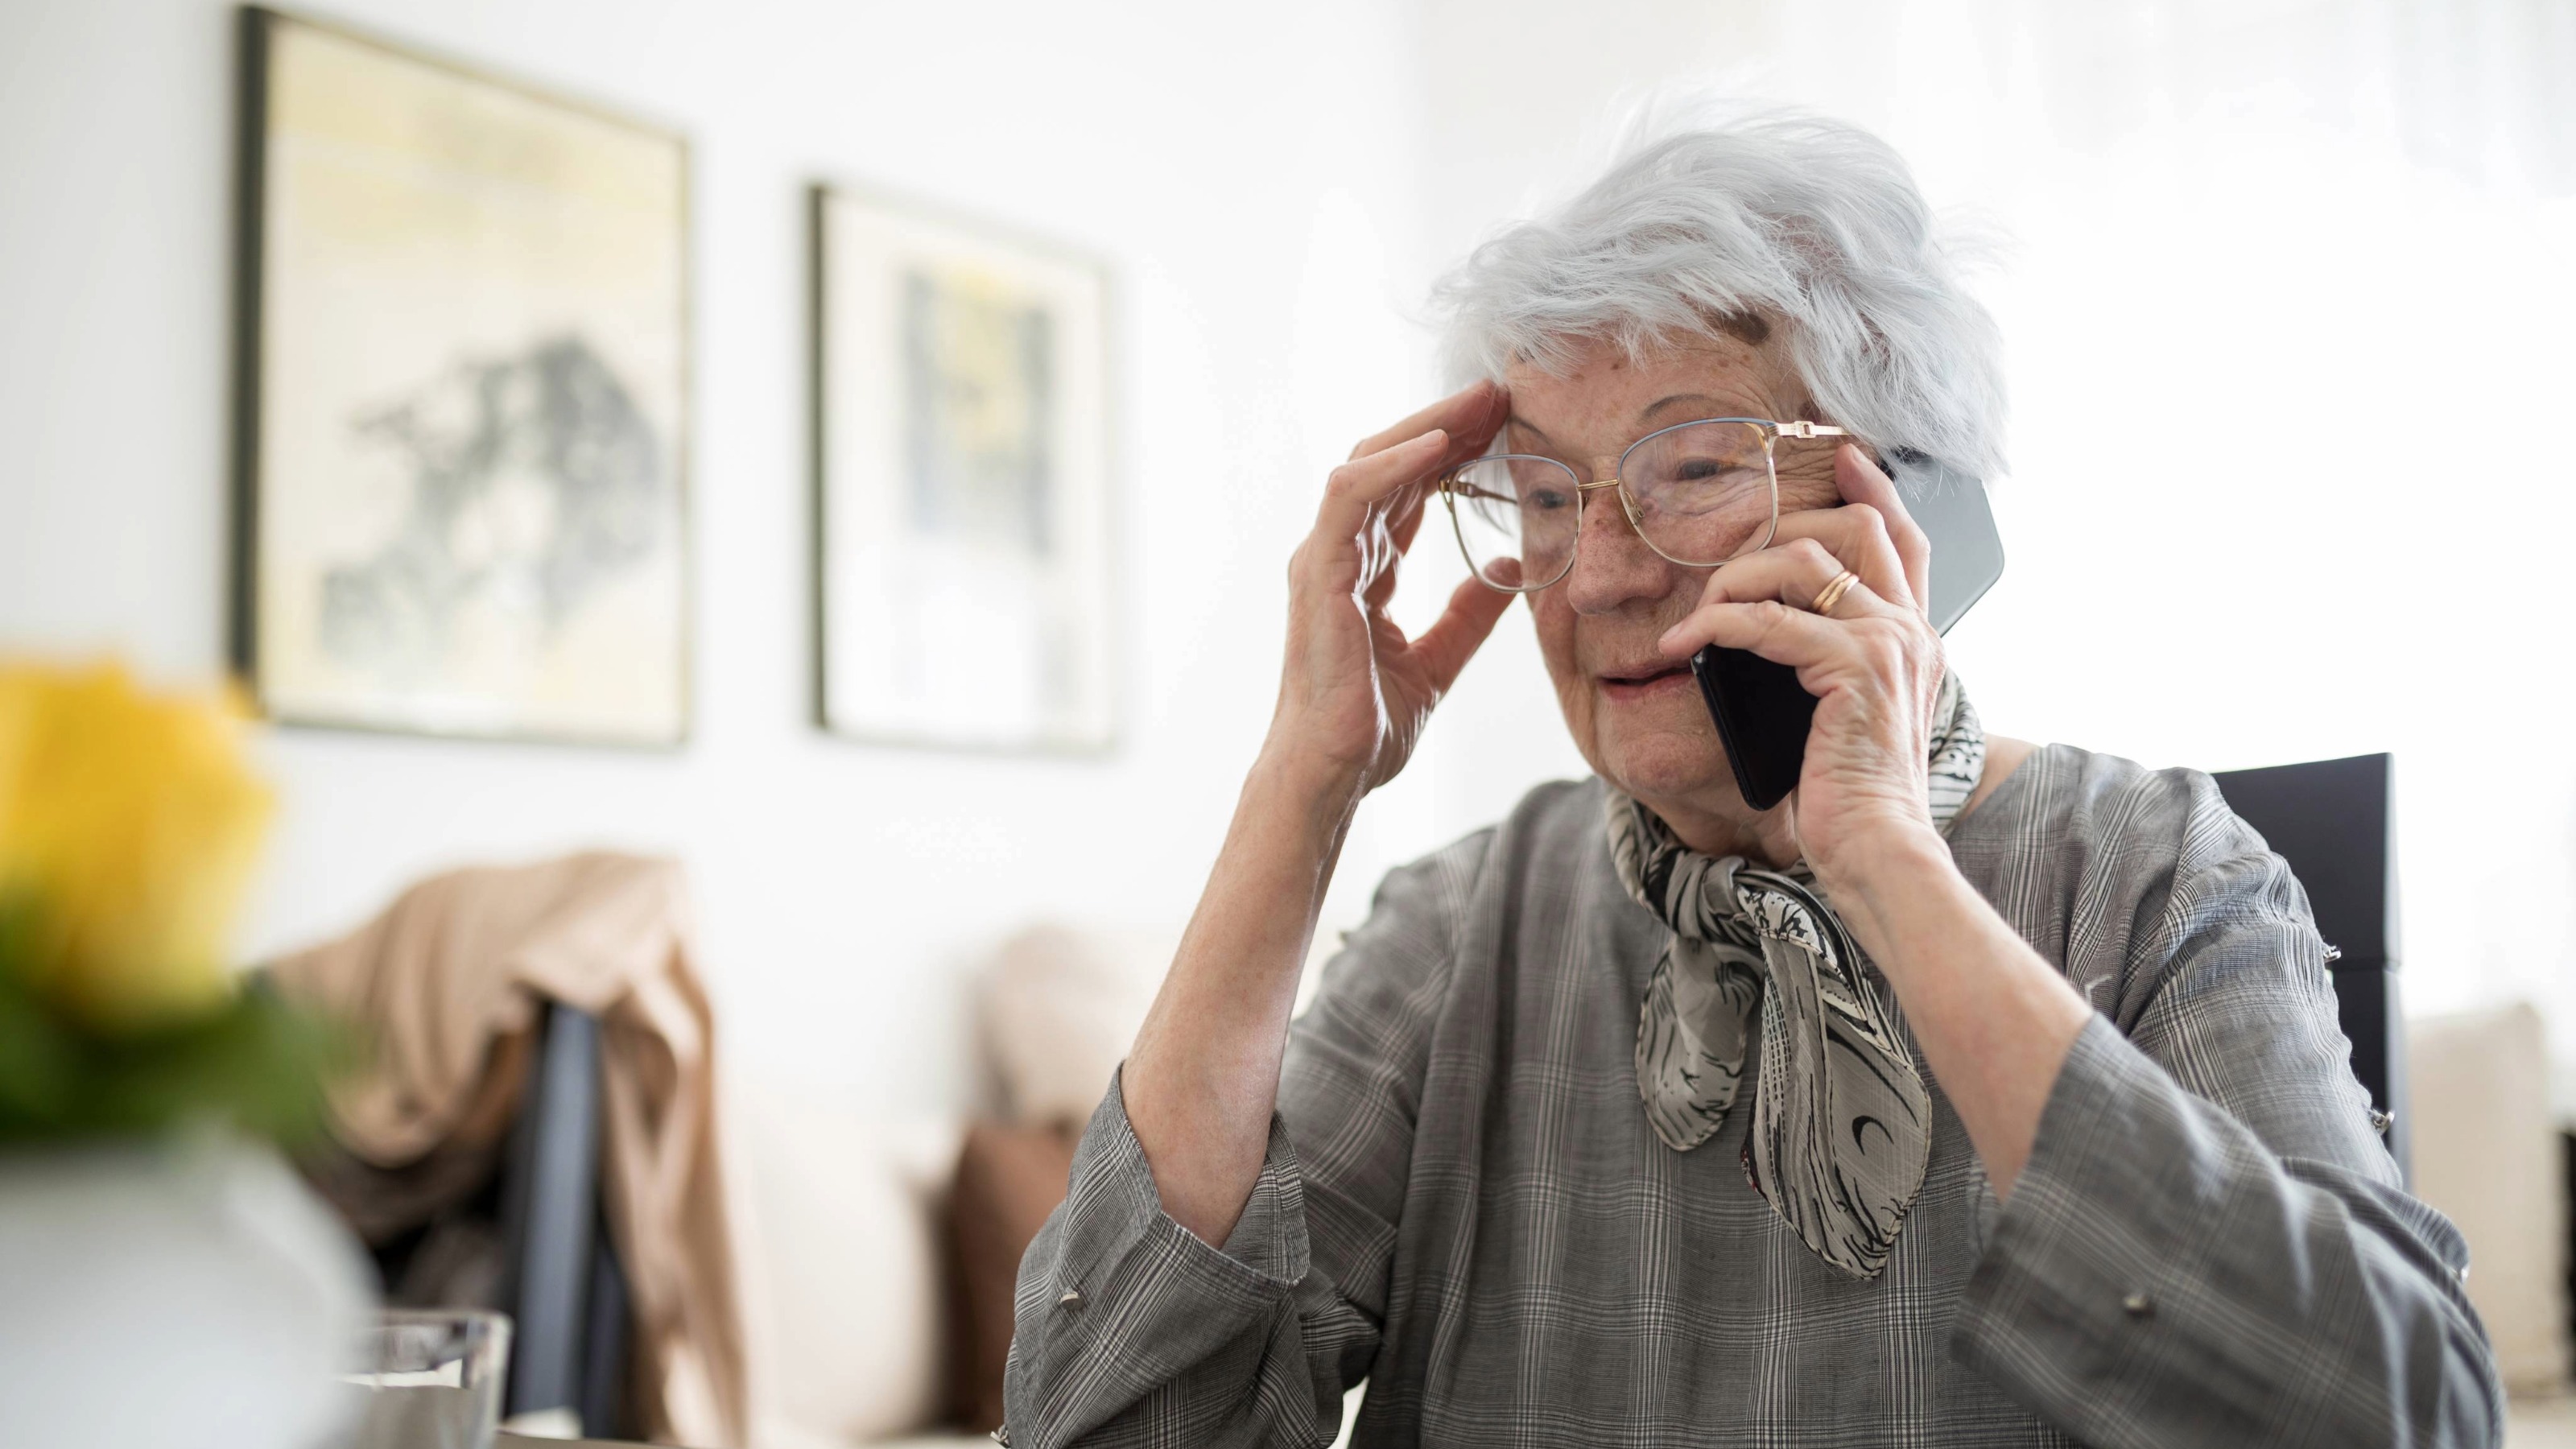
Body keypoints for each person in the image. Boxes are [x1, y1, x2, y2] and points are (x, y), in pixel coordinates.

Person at [1001, 111, 2502, 1447]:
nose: (1589, 575)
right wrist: (1301, 789)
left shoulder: (2154, 870)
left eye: (1693, 467)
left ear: (1910, 502)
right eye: (1538, 495)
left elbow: (2402, 1416)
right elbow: (1111, 1425)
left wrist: (1889, 864)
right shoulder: (1464, 928)